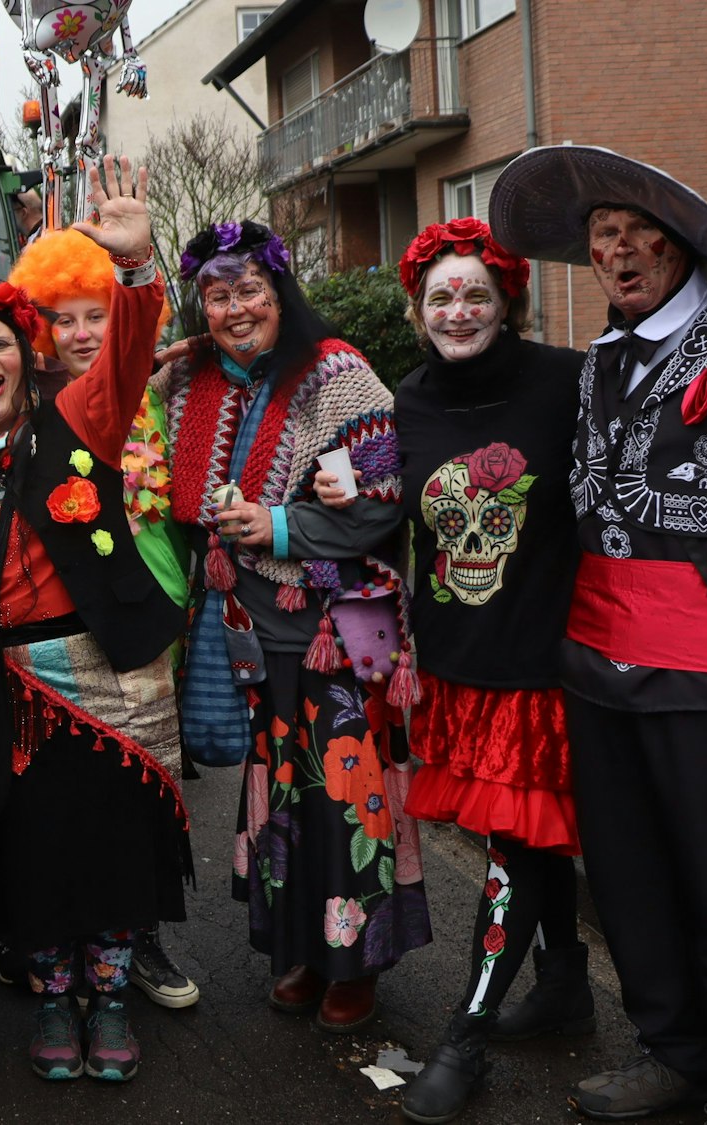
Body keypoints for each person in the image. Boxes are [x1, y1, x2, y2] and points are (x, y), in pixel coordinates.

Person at [490, 146, 707, 1125]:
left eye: (643, 233)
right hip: (596, 667)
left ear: (683, 246)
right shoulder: (602, 360)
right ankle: (672, 1053)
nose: (621, 249)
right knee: (629, 883)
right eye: (604, 234)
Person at [0, 157, 184, 1084]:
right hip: (3, 689)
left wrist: (139, 266)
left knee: (108, 851)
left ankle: (109, 1000)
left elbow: (131, 345)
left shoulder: (78, 418)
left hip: (103, 672)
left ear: (26, 354)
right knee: (30, 857)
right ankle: (55, 999)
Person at [337, 219, 589, 1123]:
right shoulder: (408, 399)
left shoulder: (568, 383)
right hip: (456, 662)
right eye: (440, 296)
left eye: (476, 293)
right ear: (416, 309)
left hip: (543, 662)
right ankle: (565, 984)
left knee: (517, 844)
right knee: (530, 834)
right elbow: (378, 508)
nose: (458, 310)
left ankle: (466, 1037)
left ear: (506, 301)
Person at [162, 218, 430, 1034]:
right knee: (281, 797)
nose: (236, 308)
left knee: (346, 796)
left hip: (336, 628)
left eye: (250, 291)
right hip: (249, 629)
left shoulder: (338, 377)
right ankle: (305, 952)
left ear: (281, 294)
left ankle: (357, 962)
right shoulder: (194, 382)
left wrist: (273, 528)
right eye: (217, 295)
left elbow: (379, 507)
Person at [0, 226, 198, 1010]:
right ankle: (55, 950)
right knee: (72, 807)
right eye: (65, 319)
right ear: (39, 333)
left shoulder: (151, 392)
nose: (82, 334)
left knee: (141, 796)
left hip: (153, 616)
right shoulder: (53, 408)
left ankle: (135, 940)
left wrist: (138, 272)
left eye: (97, 317)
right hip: (73, 633)